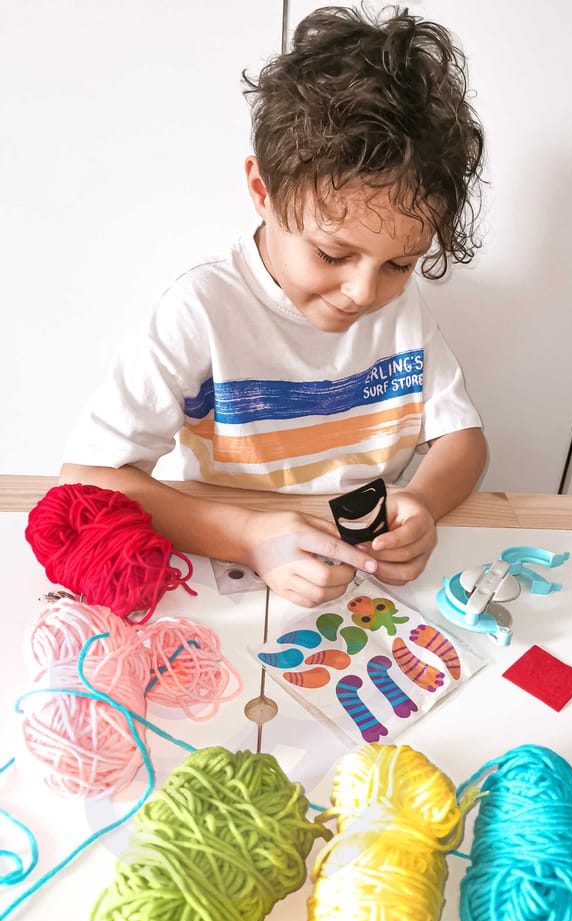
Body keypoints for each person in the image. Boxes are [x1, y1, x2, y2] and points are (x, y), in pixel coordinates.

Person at [60, 4, 488, 608]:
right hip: (219, 570)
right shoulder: (203, 309)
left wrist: (422, 502)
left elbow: (463, 440)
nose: (364, 293)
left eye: (399, 264)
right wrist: (248, 538)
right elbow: (88, 478)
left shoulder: (398, 308)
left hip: (358, 576)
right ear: (264, 191)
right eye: (333, 253)